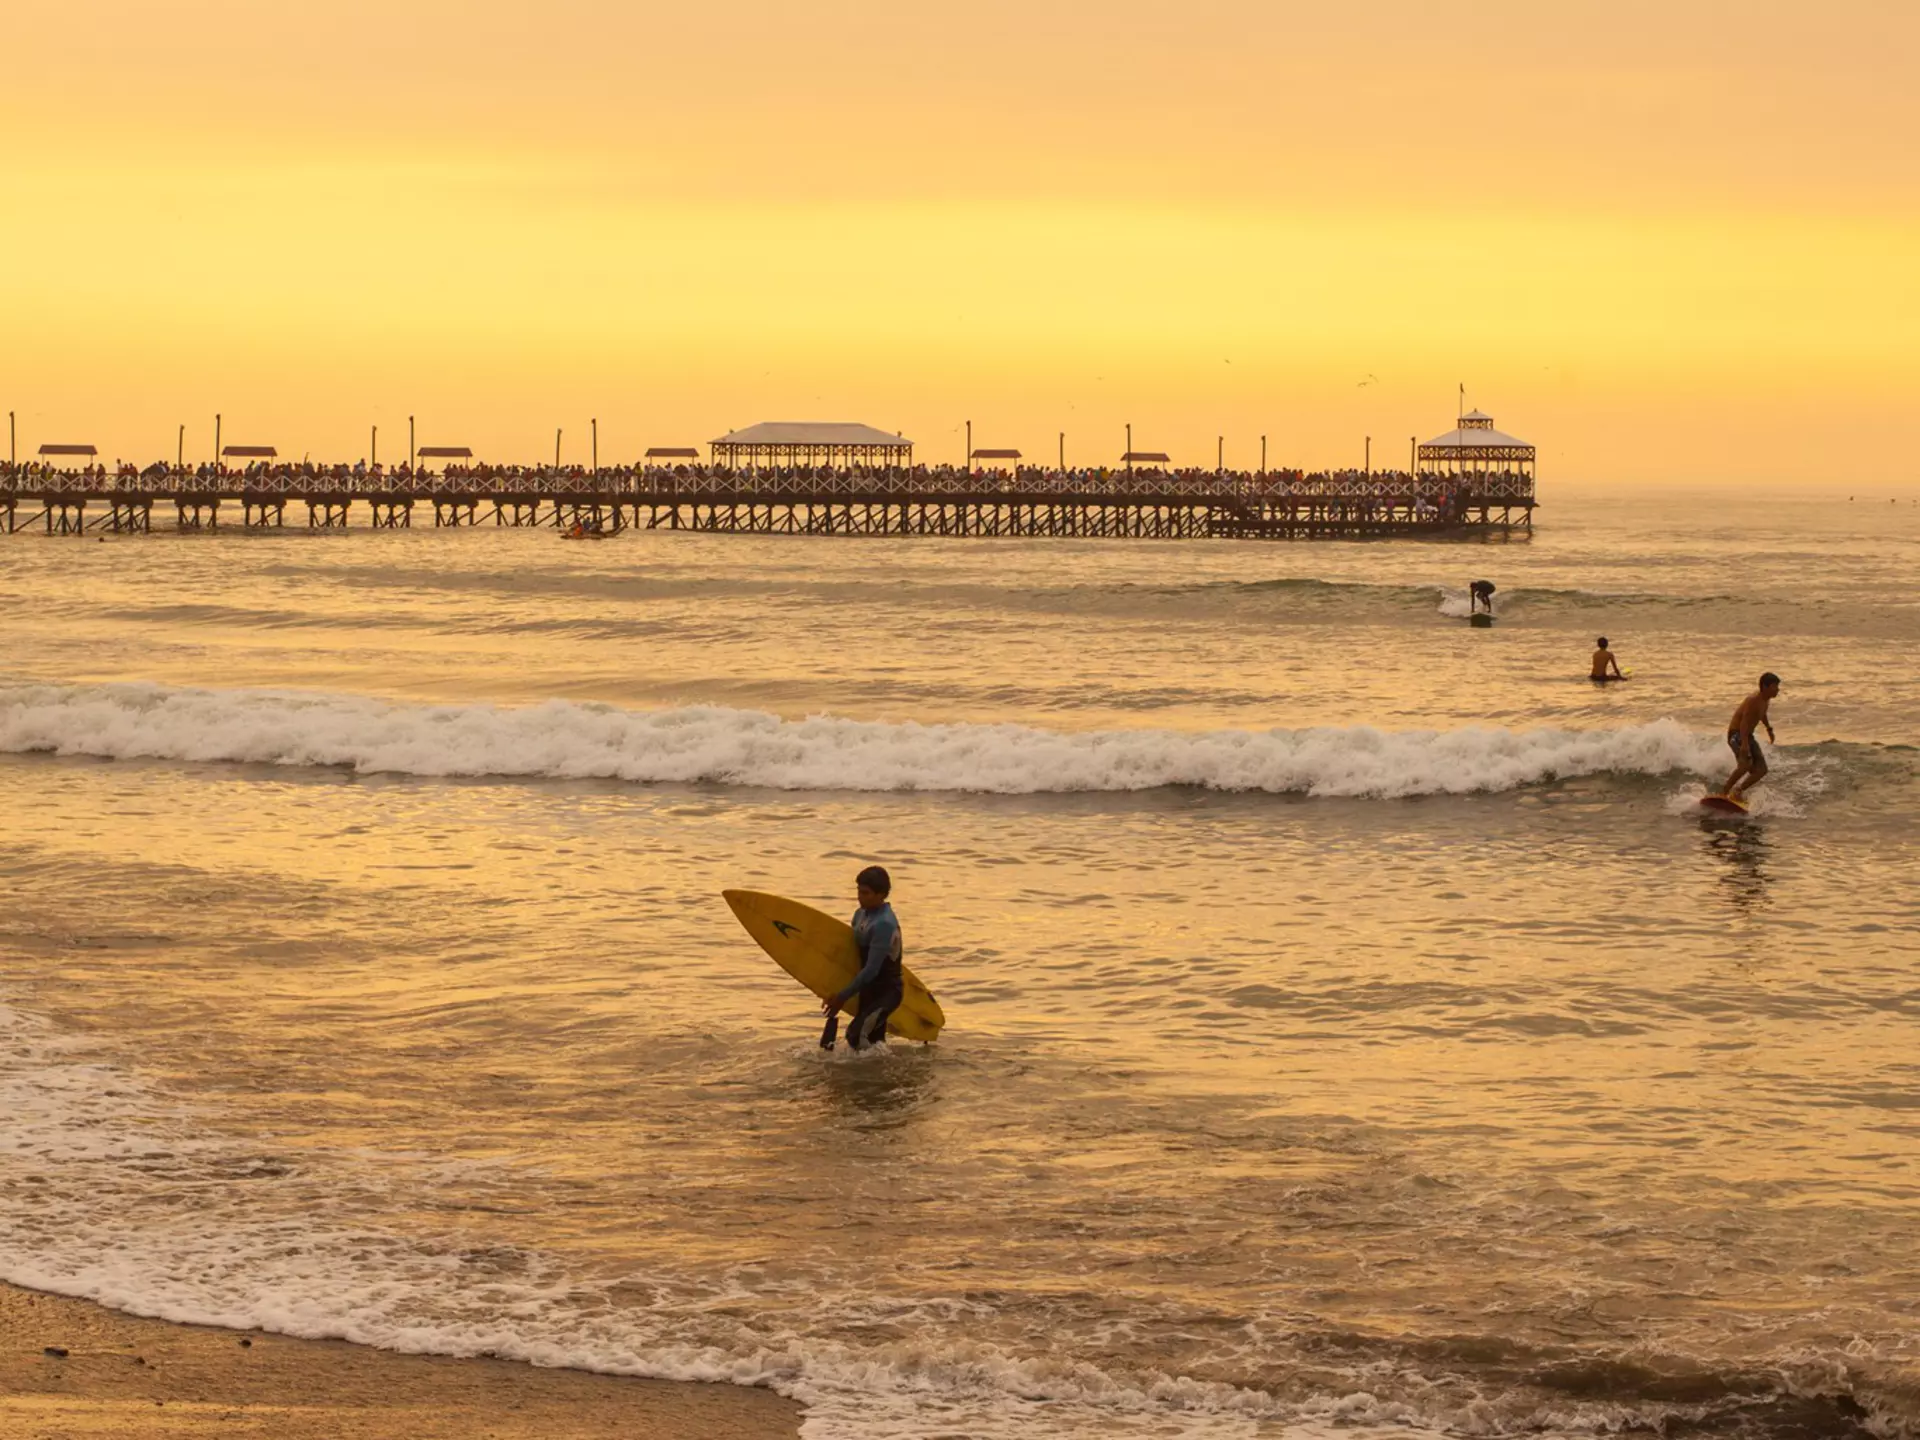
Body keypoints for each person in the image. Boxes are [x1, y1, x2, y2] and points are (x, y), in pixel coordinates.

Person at [820, 866, 903, 1052]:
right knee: (874, 1042)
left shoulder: (884, 924)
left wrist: (842, 997)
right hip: (866, 990)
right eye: (858, 891)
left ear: (882, 894)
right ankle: (881, 1078)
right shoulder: (860, 915)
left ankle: (882, 1074)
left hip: (886, 992)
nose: (860, 896)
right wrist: (835, 991)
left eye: (866, 893)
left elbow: (872, 969)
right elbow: (851, 957)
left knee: (856, 1035)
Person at [1719, 672, 1781, 800]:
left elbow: (1762, 714)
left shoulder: (1766, 700)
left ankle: (1737, 791)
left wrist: (1769, 729)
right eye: (1775, 686)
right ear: (1765, 687)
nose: (1778, 690)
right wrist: (1745, 744)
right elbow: (1744, 722)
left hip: (1747, 734)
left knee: (1761, 770)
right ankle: (1724, 791)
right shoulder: (1753, 700)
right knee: (1745, 765)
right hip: (1737, 734)